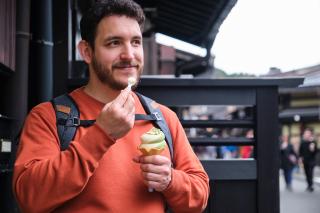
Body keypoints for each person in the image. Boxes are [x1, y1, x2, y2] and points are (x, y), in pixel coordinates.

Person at [12, 1, 209, 212]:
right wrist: (101, 134)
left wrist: (171, 180)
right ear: (87, 52)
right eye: (114, 43)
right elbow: (29, 197)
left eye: (135, 42)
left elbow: (199, 198)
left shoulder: (162, 117)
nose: (129, 55)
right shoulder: (48, 117)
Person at [299, 128, 318, 192]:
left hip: (311, 161)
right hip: (305, 161)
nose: (306, 134)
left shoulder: (313, 142)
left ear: (310, 134)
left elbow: (315, 151)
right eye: (305, 133)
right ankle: (309, 185)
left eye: (308, 133)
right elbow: (300, 151)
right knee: (306, 173)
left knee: (310, 173)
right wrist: (300, 158)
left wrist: (312, 147)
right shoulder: (303, 142)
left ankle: (311, 185)